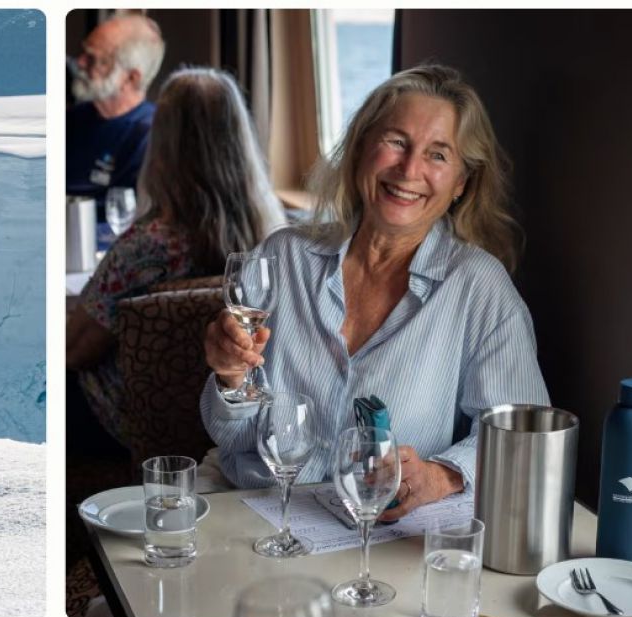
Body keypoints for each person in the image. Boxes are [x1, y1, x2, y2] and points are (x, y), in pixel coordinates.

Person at [199, 65, 548, 518]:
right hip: (258, 510)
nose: (409, 170)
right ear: (361, 148)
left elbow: (521, 435)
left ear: (461, 183)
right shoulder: (280, 259)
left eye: (438, 155)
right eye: (396, 142)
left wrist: (442, 475)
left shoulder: (479, 287)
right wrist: (230, 379)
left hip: (384, 531)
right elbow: (235, 439)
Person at [68, 67, 286, 431]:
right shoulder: (274, 236)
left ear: (162, 145)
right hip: (230, 422)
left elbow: (74, 351)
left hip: (129, 424)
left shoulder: (144, 247)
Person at [66, 13, 166, 206]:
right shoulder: (69, 120)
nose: (80, 62)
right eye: (83, 52)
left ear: (130, 78)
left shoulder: (154, 135)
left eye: (93, 59)